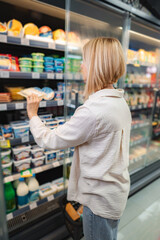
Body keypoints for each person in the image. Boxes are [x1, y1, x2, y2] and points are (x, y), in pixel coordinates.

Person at [27, 37, 132, 240]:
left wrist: (33, 115)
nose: (81, 66)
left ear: (96, 66)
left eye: (85, 60)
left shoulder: (93, 110)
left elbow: (50, 140)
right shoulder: (119, 101)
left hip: (99, 201)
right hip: (114, 194)